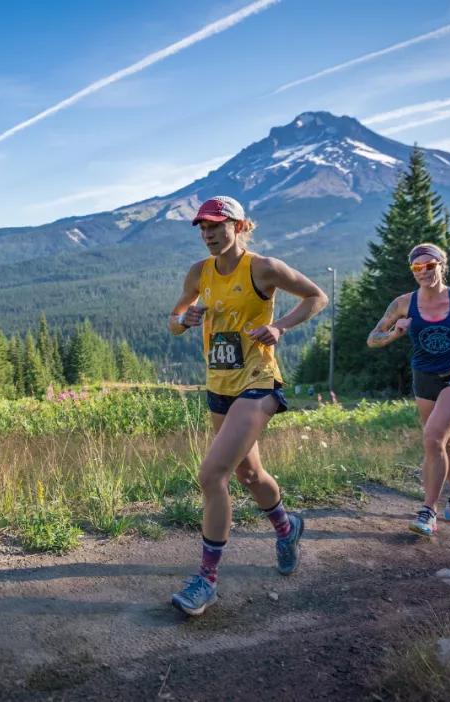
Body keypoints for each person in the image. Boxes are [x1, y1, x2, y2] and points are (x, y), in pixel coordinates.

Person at [167, 195, 327, 616]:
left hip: (258, 383)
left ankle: (206, 580)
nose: (208, 234)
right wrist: (184, 320)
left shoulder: (262, 268)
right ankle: (287, 528)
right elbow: (174, 318)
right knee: (250, 473)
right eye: (203, 228)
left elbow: (316, 297)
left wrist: (280, 326)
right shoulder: (198, 273)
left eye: (216, 226)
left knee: (211, 474)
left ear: (239, 226)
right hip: (219, 385)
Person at [366, 243, 450, 536]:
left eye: (430, 265)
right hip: (424, 378)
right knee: (445, 442)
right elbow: (372, 338)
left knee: (433, 437)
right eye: (417, 267)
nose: (424, 271)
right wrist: (395, 333)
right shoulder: (402, 303)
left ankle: (428, 511)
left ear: (442, 264)